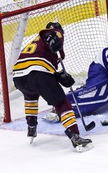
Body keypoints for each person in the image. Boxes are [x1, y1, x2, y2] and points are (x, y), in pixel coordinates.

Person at [12, 22, 93, 152]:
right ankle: (75, 137)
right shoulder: (55, 33)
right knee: (61, 103)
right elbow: (49, 34)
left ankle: (31, 127)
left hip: (18, 77)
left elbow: (45, 71)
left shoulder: (36, 45)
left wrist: (58, 77)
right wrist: (53, 34)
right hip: (37, 72)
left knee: (31, 96)